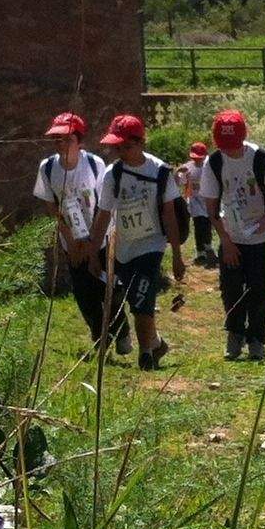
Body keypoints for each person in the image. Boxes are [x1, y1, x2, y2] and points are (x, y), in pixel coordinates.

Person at [87, 114, 184, 371]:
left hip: (151, 246)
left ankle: (145, 355)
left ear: (141, 142)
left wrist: (176, 254)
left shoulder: (161, 172)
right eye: (116, 147)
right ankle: (156, 343)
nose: (121, 152)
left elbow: (169, 214)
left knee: (141, 300)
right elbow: (103, 214)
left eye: (126, 147)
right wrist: (93, 253)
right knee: (134, 301)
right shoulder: (113, 174)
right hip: (123, 249)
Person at [31, 111, 125, 356]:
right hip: (71, 240)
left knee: (108, 287)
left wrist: (91, 247)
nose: (61, 144)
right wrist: (71, 242)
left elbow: (102, 207)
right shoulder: (48, 167)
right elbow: (52, 205)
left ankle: (122, 329)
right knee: (84, 293)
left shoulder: (95, 165)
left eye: (67, 139)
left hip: (100, 237)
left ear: (79, 141)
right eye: (57, 140)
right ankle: (100, 338)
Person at [199, 109, 265, 361]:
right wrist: (226, 241)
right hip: (231, 236)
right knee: (231, 289)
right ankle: (235, 334)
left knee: (260, 289)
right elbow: (212, 209)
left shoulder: (259, 158)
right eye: (224, 145)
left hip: (260, 237)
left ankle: (257, 338)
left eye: (233, 144)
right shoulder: (214, 163)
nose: (229, 150)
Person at [180, 141, 218, 267]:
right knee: (198, 225)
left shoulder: (210, 166)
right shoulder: (188, 167)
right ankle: (200, 251)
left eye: (199, 158)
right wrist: (179, 172)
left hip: (207, 201)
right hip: (195, 201)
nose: (197, 161)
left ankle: (208, 247)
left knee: (207, 224)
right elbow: (181, 181)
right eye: (194, 158)